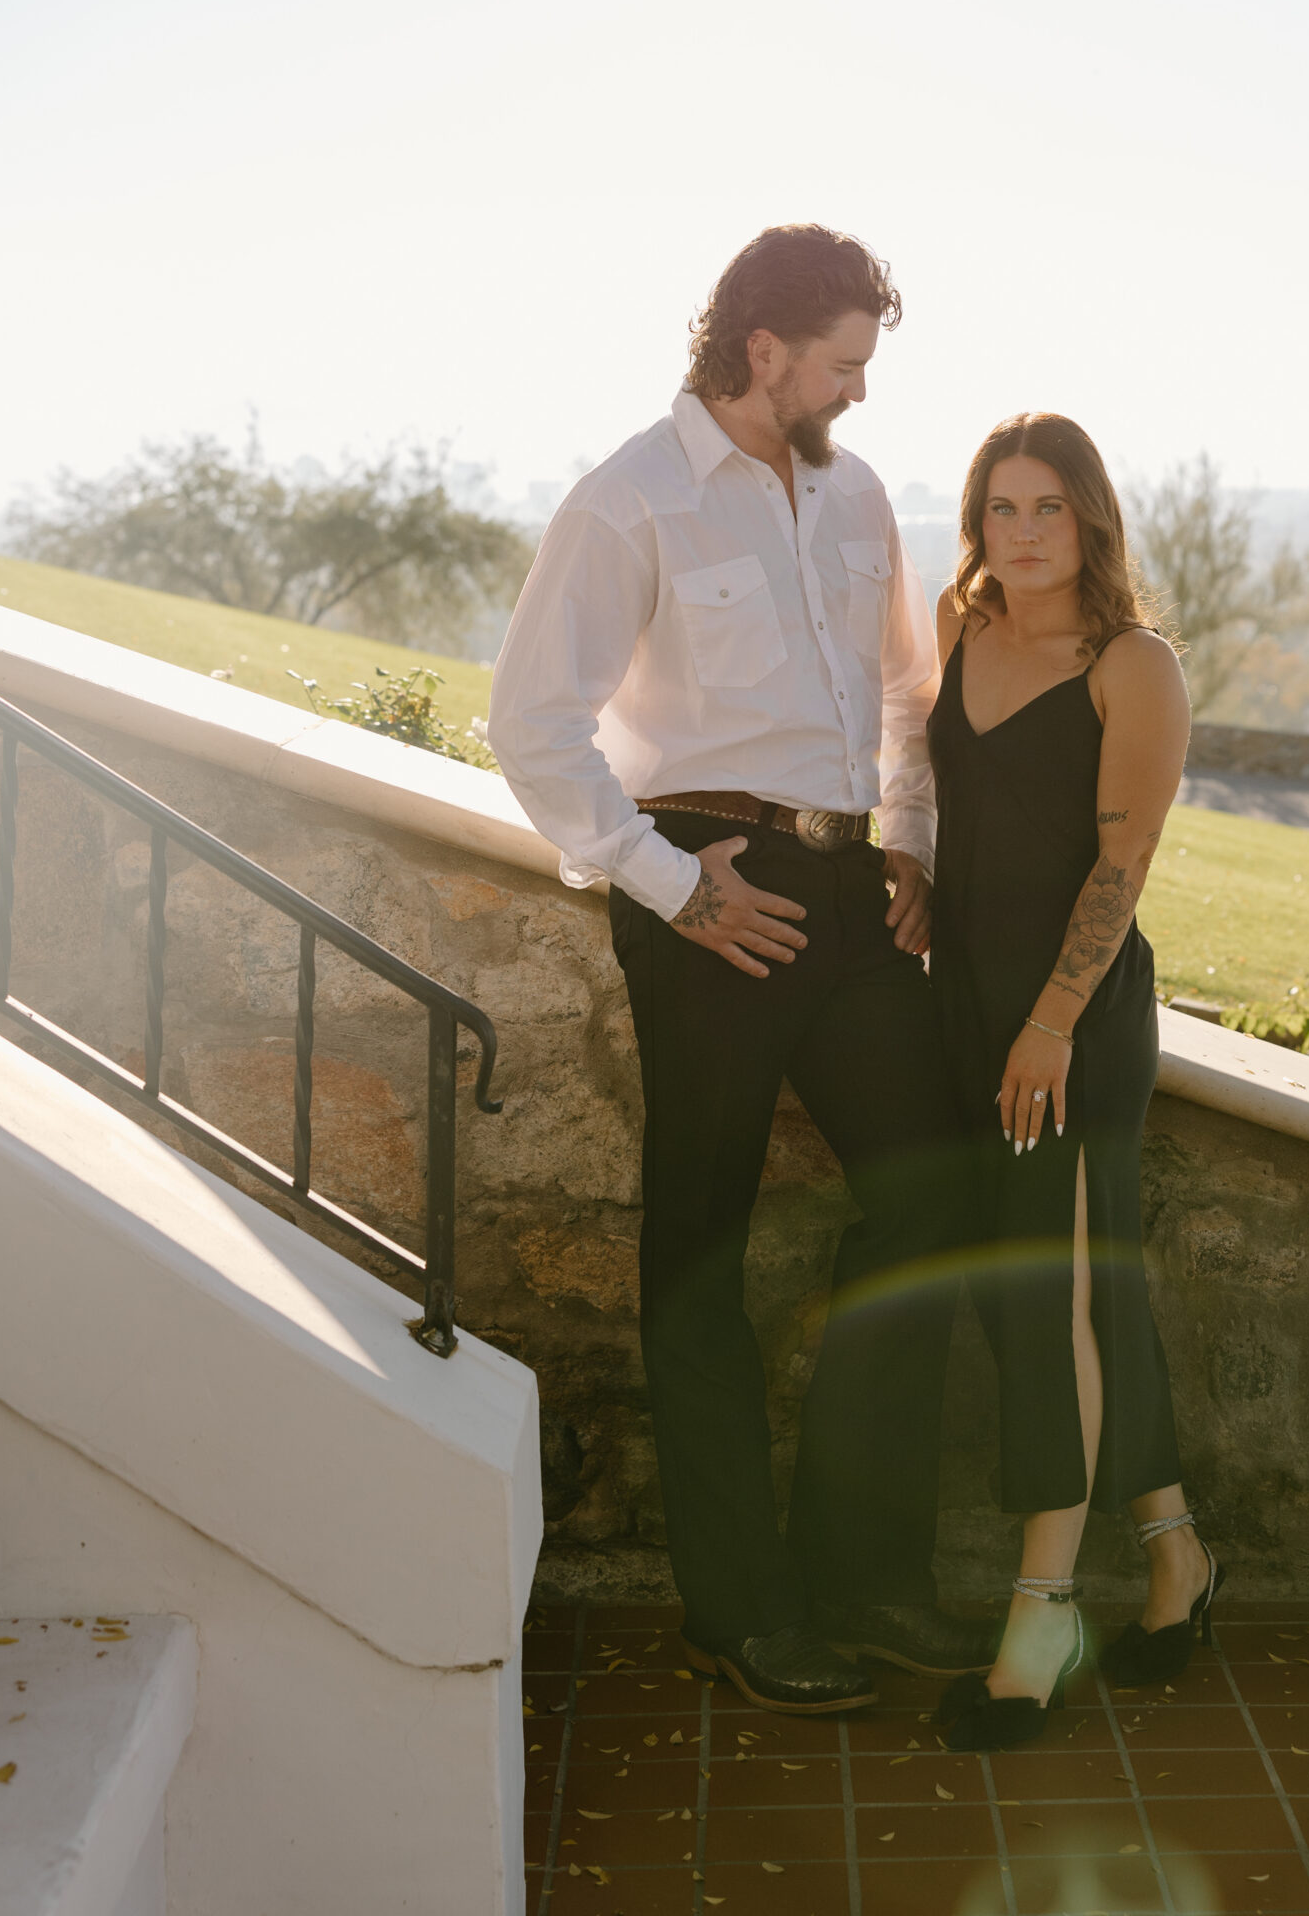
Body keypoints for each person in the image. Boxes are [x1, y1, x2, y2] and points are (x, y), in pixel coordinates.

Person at [489, 225, 993, 1716]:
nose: (857, 390)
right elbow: (533, 723)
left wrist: (907, 840)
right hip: (712, 888)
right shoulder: (627, 501)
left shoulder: (856, 497)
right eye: (841, 362)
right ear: (760, 348)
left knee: (933, 1192)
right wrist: (661, 880)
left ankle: (864, 1577)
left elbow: (910, 688)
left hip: (849, 893)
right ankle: (741, 1608)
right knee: (698, 1246)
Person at [925, 411, 1218, 1753]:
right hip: (965, 1010)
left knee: (1060, 1305)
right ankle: (1176, 1558)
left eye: (1049, 508)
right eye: (1002, 507)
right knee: (1067, 1293)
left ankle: (1042, 1612)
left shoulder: (1133, 664)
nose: (1023, 532)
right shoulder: (957, 630)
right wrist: (907, 884)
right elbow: (952, 808)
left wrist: (1048, 1022)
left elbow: (1120, 867)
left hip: (1074, 1027)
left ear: (1090, 520)